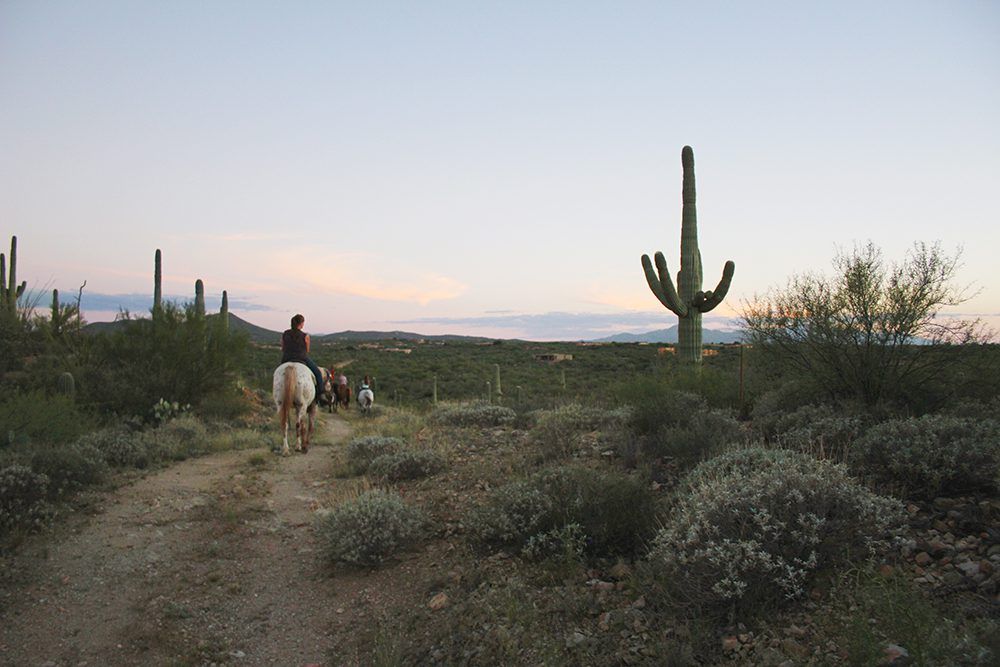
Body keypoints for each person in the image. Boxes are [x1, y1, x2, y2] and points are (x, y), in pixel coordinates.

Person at [280, 314, 324, 397]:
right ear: (301, 323)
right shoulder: (305, 336)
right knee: (318, 373)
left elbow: (283, 348)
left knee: (277, 373)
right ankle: (320, 394)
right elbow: (307, 350)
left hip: (286, 358)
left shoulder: (285, 334)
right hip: (301, 358)